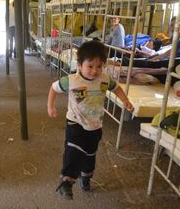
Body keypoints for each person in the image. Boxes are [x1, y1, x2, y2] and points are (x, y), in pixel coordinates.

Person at [47, 40, 134, 199]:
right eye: (90, 66)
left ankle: (86, 177)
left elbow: (116, 88)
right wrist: (50, 107)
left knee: (89, 155)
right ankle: (67, 181)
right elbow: (54, 88)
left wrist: (125, 100)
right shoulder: (72, 80)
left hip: (95, 125)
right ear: (80, 65)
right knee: (73, 150)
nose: (95, 71)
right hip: (75, 121)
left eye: (99, 66)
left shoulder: (105, 79)